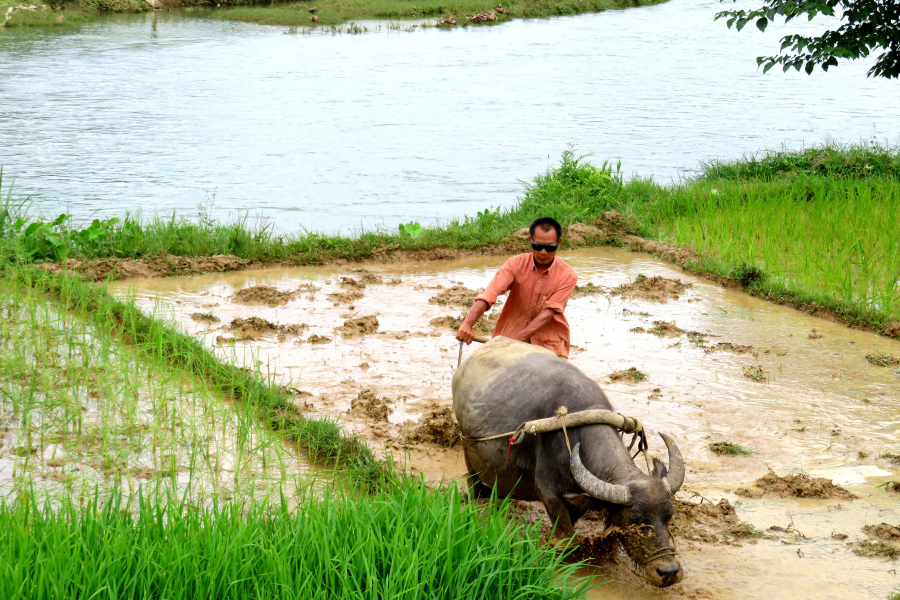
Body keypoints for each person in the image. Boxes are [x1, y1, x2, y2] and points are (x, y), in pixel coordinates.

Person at [456, 216, 577, 359]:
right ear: (530, 241)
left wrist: (518, 340)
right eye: (538, 246)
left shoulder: (568, 275)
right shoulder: (514, 264)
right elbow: (489, 294)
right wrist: (467, 324)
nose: (543, 252)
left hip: (549, 344)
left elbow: (548, 313)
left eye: (550, 247)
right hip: (510, 336)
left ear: (559, 243)